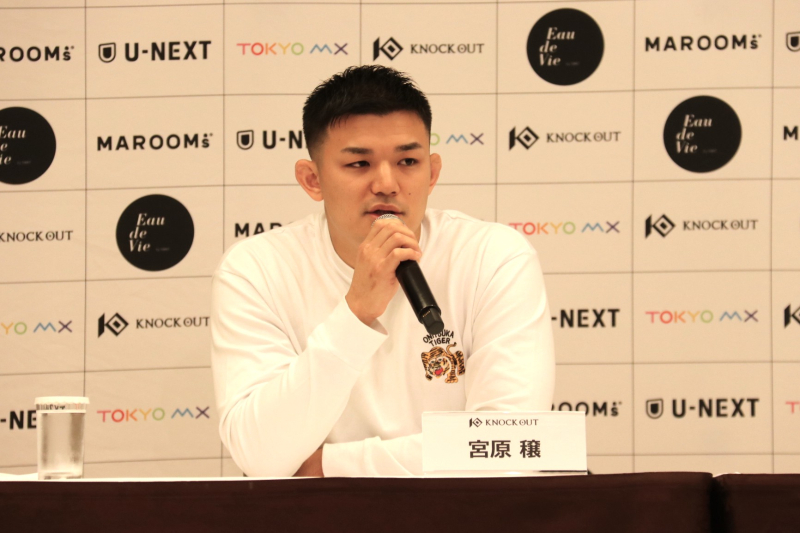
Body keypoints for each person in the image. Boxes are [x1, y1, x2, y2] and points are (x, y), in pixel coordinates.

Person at [211, 65, 555, 477]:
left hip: (463, 510)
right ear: (312, 179)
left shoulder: (493, 258)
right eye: (360, 164)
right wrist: (356, 312)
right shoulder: (256, 270)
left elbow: (513, 447)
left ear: (432, 173)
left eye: (408, 161)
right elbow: (261, 455)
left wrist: (330, 465)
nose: (387, 184)